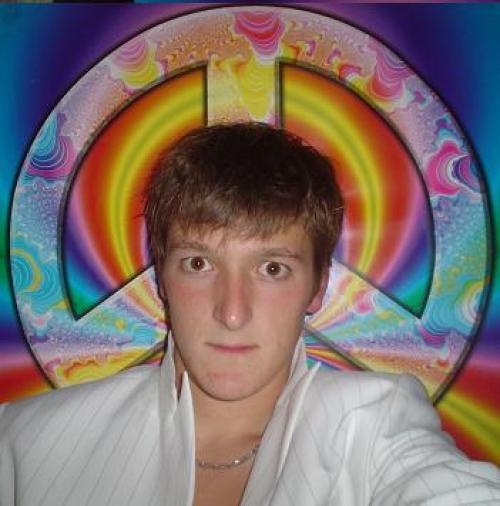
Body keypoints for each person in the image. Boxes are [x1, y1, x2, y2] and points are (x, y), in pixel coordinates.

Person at [0, 123, 499, 506]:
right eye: (198, 264)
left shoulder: (372, 427)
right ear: (161, 278)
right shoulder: (24, 443)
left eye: (272, 268)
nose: (232, 313)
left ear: (317, 286)